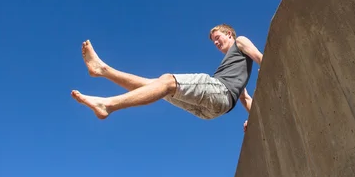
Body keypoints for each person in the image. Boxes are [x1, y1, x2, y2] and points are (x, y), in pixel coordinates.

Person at [71, 23, 262, 131]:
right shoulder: (236, 70)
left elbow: (262, 58)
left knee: (168, 81)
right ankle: (103, 70)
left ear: (229, 34)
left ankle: (107, 105)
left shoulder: (240, 42)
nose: (216, 43)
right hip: (215, 110)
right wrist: (255, 123)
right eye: (213, 41)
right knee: (158, 87)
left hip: (219, 91)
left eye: (218, 37)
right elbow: (244, 98)